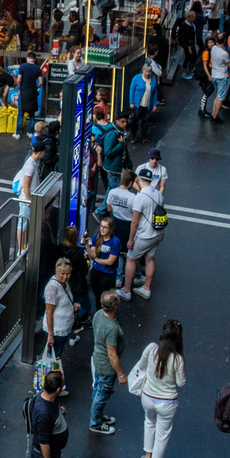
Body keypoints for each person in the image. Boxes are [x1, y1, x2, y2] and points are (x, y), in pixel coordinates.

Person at [133, 319, 185, 458]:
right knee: (162, 435)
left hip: (148, 397)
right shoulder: (177, 359)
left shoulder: (151, 348)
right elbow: (181, 383)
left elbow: (141, 366)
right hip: (167, 402)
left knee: (149, 423)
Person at [86, 290, 127, 436]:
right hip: (106, 367)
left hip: (97, 359)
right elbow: (112, 355)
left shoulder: (98, 314)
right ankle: (95, 423)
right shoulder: (112, 328)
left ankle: (97, 415)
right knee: (102, 394)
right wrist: (121, 374)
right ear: (115, 307)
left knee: (98, 388)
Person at [121, 172, 166, 302]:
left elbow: (135, 222)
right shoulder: (158, 194)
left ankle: (126, 291)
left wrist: (130, 240)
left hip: (145, 235)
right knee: (150, 259)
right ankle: (146, 289)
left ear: (139, 179)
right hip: (158, 233)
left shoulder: (139, 197)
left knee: (130, 258)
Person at [43, 259, 78, 381]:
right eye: (62, 274)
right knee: (55, 357)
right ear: (56, 272)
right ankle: (55, 382)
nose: (65, 277)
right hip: (57, 330)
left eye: (67, 274)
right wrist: (51, 335)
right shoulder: (53, 287)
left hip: (64, 327)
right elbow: (49, 312)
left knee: (56, 356)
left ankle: (54, 381)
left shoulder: (65, 284)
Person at [12, 139, 47, 240]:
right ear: (40, 152)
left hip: (29, 200)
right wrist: (29, 201)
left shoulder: (34, 163)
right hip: (26, 202)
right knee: (22, 225)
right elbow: (25, 185)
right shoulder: (30, 167)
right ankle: (21, 249)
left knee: (25, 224)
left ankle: (23, 246)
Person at [129, 64, 158, 143]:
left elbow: (155, 93)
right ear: (143, 71)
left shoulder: (153, 79)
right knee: (135, 120)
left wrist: (154, 105)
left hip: (147, 105)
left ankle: (144, 136)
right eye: (146, 72)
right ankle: (133, 136)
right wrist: (132, 102)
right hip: (138, 105)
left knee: (145, 121)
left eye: (149, 72)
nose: (148, 73)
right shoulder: (136, 78)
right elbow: (132, 90)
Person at [15, 54, 41, 137]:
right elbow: (41, 82)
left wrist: (19, 89)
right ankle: (30, 133)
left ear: (27, 58)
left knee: (21, 114)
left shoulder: (22, 66)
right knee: (32, 114)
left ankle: (18, 133)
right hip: (32, 92)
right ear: (35, 59)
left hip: (23, 92)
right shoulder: (37, 68)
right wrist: (35, 88)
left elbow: (19, 80)